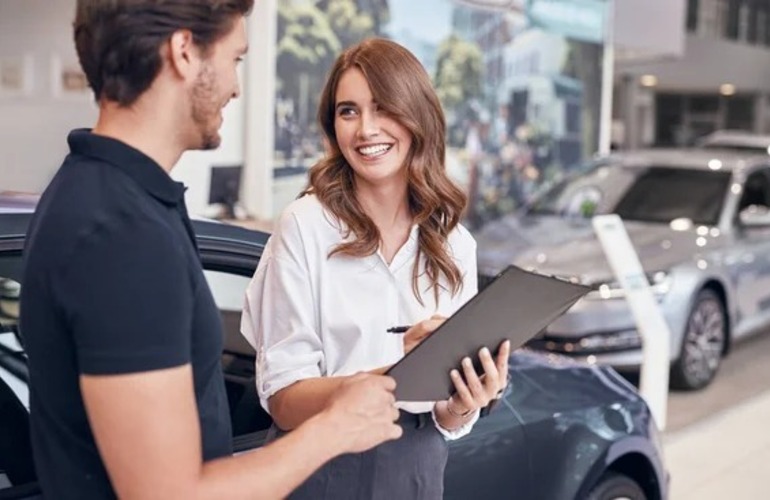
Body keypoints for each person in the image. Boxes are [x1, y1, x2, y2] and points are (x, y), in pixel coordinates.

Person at [19, 3, 402, 499]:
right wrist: (334, 429)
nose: (235, 86)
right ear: (183, 52)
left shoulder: (101, 195)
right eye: (235, 59)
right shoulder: (120, 232)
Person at [241, 38, 511, 499]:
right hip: (319, 468)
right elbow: (285, 401)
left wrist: (467, 402)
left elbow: (446, 421)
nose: (366, 129)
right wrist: (394, 375)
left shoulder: (454, 245)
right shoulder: (305, 227)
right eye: (348, 111)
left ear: (417, 116)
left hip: (417, 471)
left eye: (383, 107)